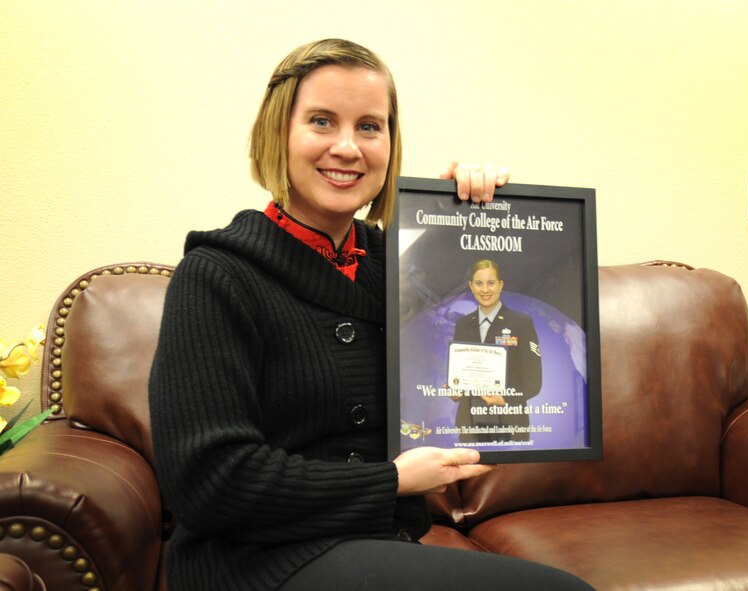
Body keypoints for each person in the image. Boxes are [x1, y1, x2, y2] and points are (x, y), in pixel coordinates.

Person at [148, 38, 593, 591]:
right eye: (320, 121)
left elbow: (491, 286)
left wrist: (476, 209)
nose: (347, 147)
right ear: (277, 133)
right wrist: (390, 482)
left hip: (381, 547)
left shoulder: (394, 264)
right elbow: (209, 483)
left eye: (369, 127)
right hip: (258, 562)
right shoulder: (216, 277)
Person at [451, 259, 542, 443]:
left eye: (491, 283)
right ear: (471, 286)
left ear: (500, 285)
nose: (485, 290)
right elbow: (459, 372)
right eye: (479, 283)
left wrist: (505, 400)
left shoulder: (521, 323)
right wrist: (454, 389)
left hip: (510, 420)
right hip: (470, 422)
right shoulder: (462, 324)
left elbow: (534, 381)